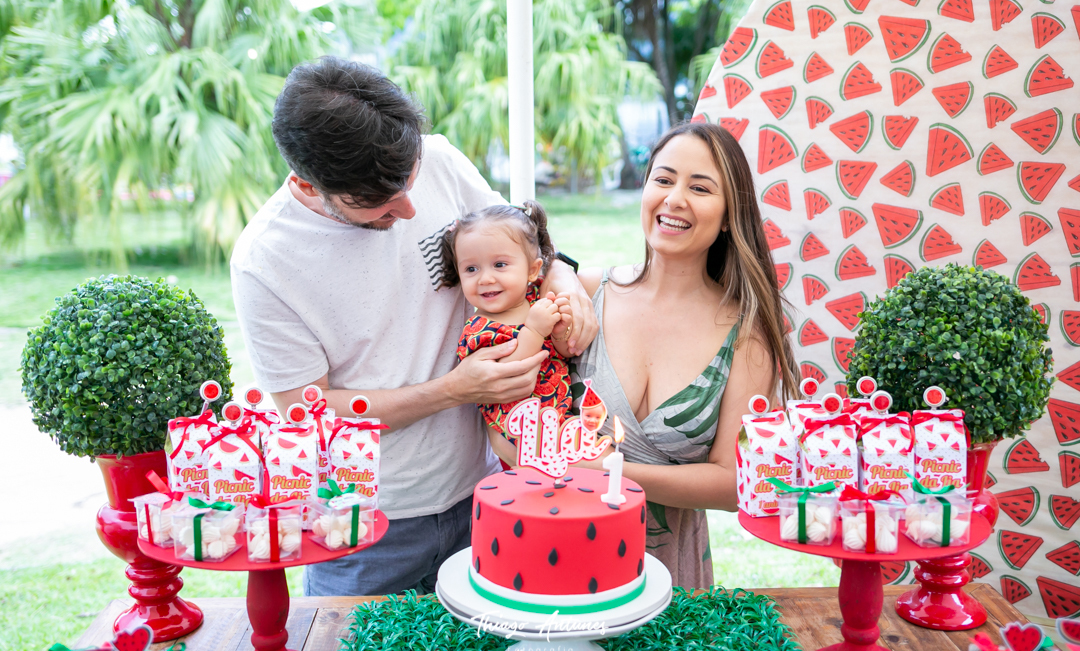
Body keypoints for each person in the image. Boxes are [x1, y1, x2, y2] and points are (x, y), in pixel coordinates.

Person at [230, 57, 596, 596]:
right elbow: (308, 409)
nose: (407, 209)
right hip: (365, 529)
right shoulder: (265, 261)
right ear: (306, 183)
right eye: (378, 202)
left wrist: (561, 274)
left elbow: (520, 241)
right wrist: (453, 390)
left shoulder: (440, 158)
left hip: (485, 494)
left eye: (409, 181)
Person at [570, 121, 797, 589]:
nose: (674, 199)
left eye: (700, 187)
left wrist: (607, 471)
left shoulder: (745, 333)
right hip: (563, 554)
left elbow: (733, 484)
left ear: (730, 215)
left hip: (671, 575)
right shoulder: (586, 291)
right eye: (664, 179)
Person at [442, 200, 574, 465]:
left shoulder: (538, 300)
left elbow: (562, 354)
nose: (485, 278)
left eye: (500, 265)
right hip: (516, 436)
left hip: (558, 418)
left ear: (532, 270)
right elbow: (503, 374)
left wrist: (559, 333)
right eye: (471, 269)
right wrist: (535, 330)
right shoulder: (480, 329)